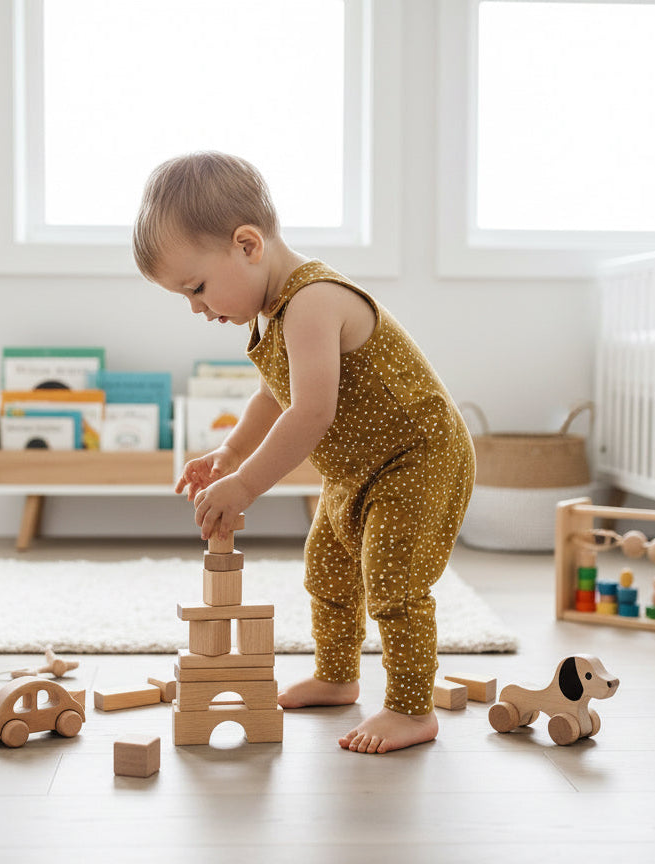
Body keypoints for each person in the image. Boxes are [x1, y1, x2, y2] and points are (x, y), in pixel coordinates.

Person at [133, 152, 475, 754]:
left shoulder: (314, 300)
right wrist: (230, 455)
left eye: (197, 287)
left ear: (247, 245)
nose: (196, 307)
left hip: (416, 456)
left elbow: (310, 412)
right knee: (328, 570)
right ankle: (338, 676)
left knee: (394, 584)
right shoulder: (273, 314)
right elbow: (274, 391)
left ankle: (411, 708)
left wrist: (244, 487)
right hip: (357, 467)